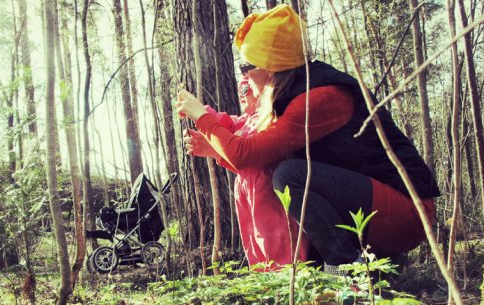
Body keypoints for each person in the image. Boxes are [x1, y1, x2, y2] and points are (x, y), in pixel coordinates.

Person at [176, 5, 440, 274]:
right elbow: (260, 164)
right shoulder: (292, 95)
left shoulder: (319, 97)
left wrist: (201, 115)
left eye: (247, 65)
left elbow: (246, 154)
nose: (243, 76)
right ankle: (373, 265)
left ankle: (344, 268)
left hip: (409, 212)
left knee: (290, 176)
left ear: (271, 67)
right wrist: (219, 152)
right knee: (287, 177)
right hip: (375, 207)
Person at [184, 76, 310, 270]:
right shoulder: (245, 121)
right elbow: (228, 131)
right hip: (247, 192)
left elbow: (250, 156)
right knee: (254, 241)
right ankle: (263, 283)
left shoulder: (268, 118)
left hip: (267, 192)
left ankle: (289, 281)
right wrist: (210, 138)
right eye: (239, 90)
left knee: (277, 240)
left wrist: (205, 119)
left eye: (246, 89)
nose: (241, 95)